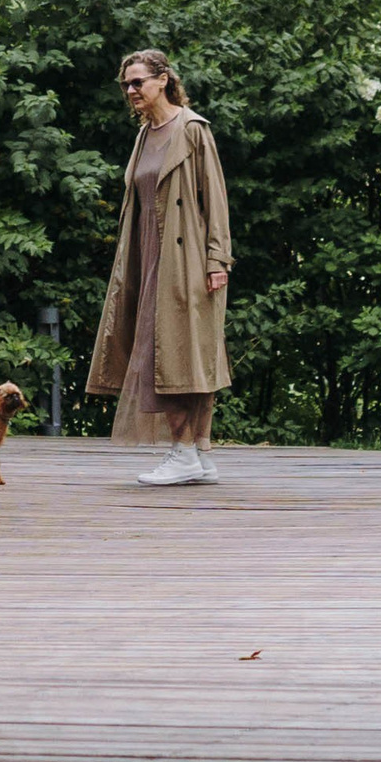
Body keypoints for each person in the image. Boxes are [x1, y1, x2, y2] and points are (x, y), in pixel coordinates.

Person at [86, 50, 233, 486]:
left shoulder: (191, 130)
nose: (131, 91)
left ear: (164, 80)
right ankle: (197, 456)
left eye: (138, 83)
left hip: (185, 259)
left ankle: (185, 451)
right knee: (170, 348)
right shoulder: (145, 133)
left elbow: (215, 198)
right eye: (126, 85)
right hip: (147, 256)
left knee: (177, 353)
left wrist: (217, 258)